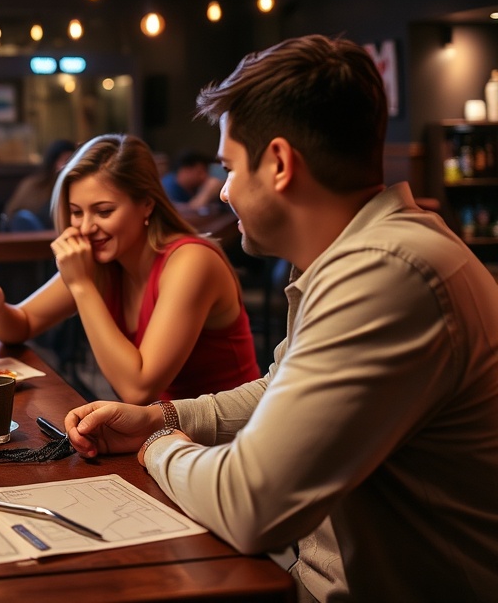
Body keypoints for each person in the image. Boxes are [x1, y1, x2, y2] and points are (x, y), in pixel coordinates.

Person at [64, 36, 498, 602]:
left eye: (229, 168)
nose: (222, 192)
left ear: (278, 164)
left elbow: (250, 506)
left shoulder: (385, 273)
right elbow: (278, 387)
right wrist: (160, 416)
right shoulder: (361, 255)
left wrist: (156, 445)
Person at [0, 133, 259, 405]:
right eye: (77, 212)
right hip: (160, 435)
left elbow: (138, 389)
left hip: (224, 443)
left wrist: (81, 286)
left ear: (146, 204)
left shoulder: (191, 261)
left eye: (104, 211)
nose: (86, 227)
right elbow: (22, 325)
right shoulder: (104, 259)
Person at [2, 138, 77, 229]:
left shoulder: (76, 188)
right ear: (52, 163)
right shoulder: (32, 186)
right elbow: (10, 218)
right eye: (66, 161)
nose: (70, 166)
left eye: (74, 162)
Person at [161, 149, 224, 214]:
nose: (204, 176)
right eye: (200, 172)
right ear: (185, 170)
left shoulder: (192, 187)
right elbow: (186, 214)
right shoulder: (168, 187)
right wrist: (207, 192)